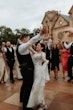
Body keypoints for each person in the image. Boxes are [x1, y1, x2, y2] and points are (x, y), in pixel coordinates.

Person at [16, 28, 46, 110]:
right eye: (28, 38)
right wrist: (40, 34)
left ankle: (22, 99)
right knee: (27, 88)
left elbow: (30, 44)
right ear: (24, 39)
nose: (29, 40)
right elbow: (31, 42)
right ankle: (26, 107)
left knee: (25, 85)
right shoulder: (21, 47)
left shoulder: (21, 46)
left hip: (26, 70)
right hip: (27, 70)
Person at [27, 42, 50, 109]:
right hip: (35, 71)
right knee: (36, 86)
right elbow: (29, 47)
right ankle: (39, 102)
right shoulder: (35, 53)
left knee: (37, 86)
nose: (37, 46)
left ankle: (42, 103)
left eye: (38, 45)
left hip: (39, 71)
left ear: (42, 47)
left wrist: (45, 61)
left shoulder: (43, 53)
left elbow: (45, 60)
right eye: (37, 45)